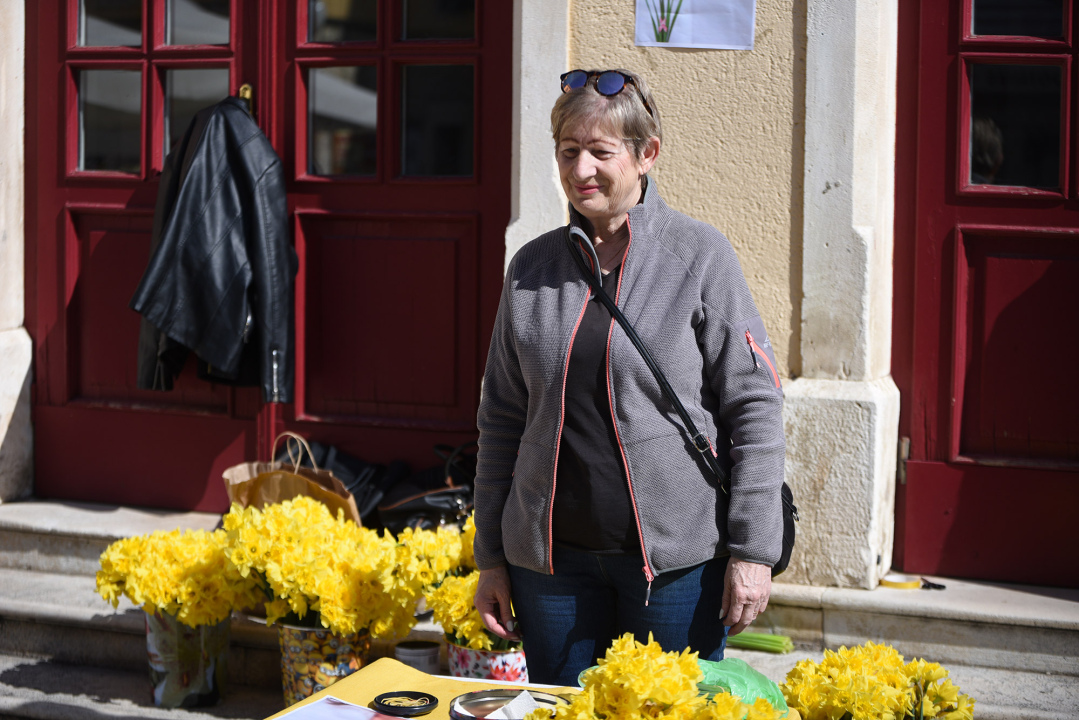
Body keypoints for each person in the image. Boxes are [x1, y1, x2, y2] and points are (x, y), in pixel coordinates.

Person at [471, 69, 786, 685]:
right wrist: (491, 557)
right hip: (550, 569)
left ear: (647, 155)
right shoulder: (531, 268)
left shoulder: (699, 256)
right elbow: (502, 417)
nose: (581, 168)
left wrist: (752, 551)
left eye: (600, 152)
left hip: (674, 568)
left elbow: (754, 403)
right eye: (569, 152)